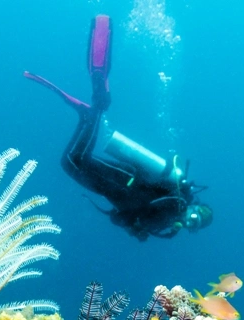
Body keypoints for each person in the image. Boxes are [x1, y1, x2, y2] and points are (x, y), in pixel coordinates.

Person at [24, 15, 212, 241]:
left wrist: (138, 229)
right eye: (195, 216)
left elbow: (121, 217)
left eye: (195, 224)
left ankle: (89, 115)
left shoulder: (168, 222)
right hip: (124, 180)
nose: (190, 220)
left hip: (112, 189)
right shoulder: (177, 203)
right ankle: (95, 109)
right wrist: (145, 225)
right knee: (76, 161)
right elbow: (147, 204)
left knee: (69, 163)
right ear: (195, 207)